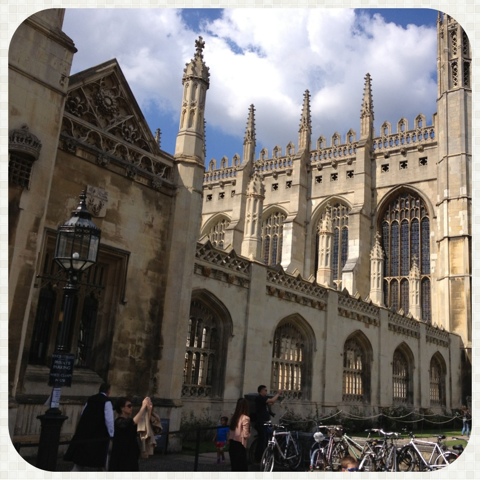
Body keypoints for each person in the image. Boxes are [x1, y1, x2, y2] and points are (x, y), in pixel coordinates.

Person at [64, 382, 115, 471]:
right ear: (108, 391)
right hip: (99, 434)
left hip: (86, 432)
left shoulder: (91, 399)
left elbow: (83, 413)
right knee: (102, 458)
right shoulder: (107, 401)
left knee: (80, 460)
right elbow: (109, 420)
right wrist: (112, 434)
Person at [109, 396, 153, 471]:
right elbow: (131, 423)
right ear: (122, 408)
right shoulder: (119, 422)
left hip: (131, 456)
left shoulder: (129, 421)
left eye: (131, 406)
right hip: (121, 458)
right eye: (129, 406)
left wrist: (148, 410)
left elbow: (142, 424)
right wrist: (143, 407)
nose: (131, 408)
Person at [254, 385, 282, 462]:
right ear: (261, 391)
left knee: (266, 439)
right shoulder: (260, 398)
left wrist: (275, 398)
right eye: (265, 390)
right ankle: (259, 457)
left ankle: (264, 455)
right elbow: (271, 401)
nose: (266, 392)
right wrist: (278, 394)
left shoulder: (263, 399)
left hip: (265, 422)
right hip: (262, 423)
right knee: (262, 440)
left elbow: (271, 403)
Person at [228, 398, 251, 471]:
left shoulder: (234, 417)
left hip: (232, 444)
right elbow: (245, 434)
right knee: (242, 468)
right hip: (240, 445)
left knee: (234, 467)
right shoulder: (245, 418)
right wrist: (249, 434)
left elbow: (231, 432)